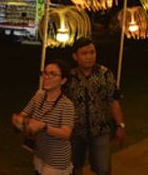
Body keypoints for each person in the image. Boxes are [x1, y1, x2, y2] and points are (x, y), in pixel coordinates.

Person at [67, 37, 124, 175]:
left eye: (92, 52)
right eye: (84, 53)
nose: (89, 57)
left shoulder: (105, 74)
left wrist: (120, 125)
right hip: (75, 131)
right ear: (75, 56)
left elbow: (113, 100)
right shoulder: (69, 77)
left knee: (103, 168)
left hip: (100, 130)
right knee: (74, 166)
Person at [12, 60, 75, 175]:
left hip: (57, 160)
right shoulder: (39, 96)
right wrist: (19, 121)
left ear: (63, 80)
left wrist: (44, 126)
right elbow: (24, 114)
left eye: (53, 74)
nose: (47, 77)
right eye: (45, 73)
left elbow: (66, 133)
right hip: (40, 154)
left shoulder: (66, 104)